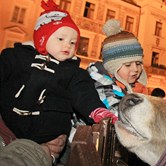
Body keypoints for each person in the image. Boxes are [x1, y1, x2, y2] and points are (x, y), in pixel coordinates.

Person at [0, 0, 116, 145]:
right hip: (6, 125)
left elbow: (84, 95)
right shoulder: (17, 56)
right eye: (61, 39)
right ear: (42, 39)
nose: (67, 45)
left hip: (46, 135)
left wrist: (97, 111)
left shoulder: (74, 72)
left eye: (73, 42)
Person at [87, 19, 157, 166]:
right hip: (98, 160)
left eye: (139, 63)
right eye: (128, 65)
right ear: (112, 66)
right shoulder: (102, 86)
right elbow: (120, 114)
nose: (136, 70)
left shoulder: (120, 85)